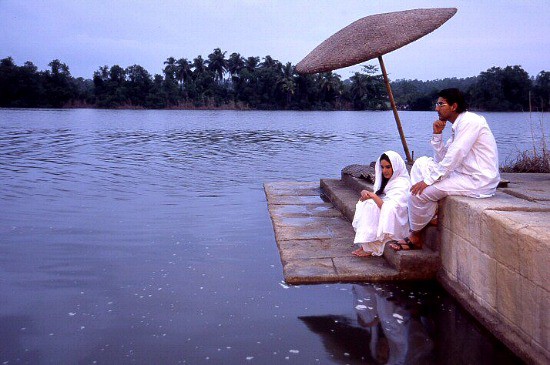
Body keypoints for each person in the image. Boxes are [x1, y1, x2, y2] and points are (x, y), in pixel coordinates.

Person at [390, 88, 500, 251]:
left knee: (417, 195)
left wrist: (428, 181)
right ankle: (429, 215)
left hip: (477, 179)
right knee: (420, 163)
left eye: (441, 104)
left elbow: (455, 155)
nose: (436, 108)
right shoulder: (459, 125)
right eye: (437, 104)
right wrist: (437, 135)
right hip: (461, 174)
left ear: (454, 106)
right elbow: (442, 159)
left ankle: (415, 235)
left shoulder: (470, 122)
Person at [352, 151, 411, 257]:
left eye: (388, 167)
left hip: (398, 222)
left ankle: (371, 247)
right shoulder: (388, 182)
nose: (384, 171)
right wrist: (365, 193)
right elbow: (380, 198)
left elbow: (391, 208)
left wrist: (373, 196)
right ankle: (368, 244)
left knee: (370, 205)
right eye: (382, 167)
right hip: (388, 214)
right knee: (365, 203)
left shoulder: (402, 184)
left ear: (395, 167)